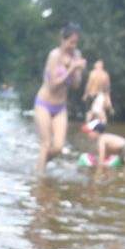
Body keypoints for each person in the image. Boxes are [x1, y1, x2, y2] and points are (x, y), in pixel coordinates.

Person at [34, 23, 87, 175]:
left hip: (60, 107)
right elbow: (53, 85)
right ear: (63, 40)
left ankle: (40, 165)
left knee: (58, 147)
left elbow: (76, 85)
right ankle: (40, 181)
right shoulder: (54, 55)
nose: (73, 46)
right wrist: (71, 68)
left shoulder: (76, 55)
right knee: (46, 144)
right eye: (71, 42)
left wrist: (77, 71)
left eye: (76, 43)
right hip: (44, 103)